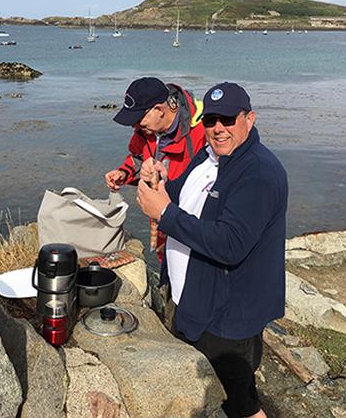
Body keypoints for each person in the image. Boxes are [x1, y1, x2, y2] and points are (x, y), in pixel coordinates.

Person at [136, 82, 288, 418]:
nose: (217, 128)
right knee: (207, 395)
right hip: (194, 301)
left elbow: (230, 244)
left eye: (228, 119)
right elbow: (181, 194)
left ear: (249, 118)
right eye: (210, 120)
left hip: (226, 315)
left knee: (241, 403)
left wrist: (163, 213)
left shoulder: (258, 173)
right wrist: (158, 180)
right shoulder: (208, 157)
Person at [104, 77, 206, 254]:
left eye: (139, 118)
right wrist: (123, 173)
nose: (135, 125)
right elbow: (137, 157)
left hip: (192, 221)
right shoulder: (146, 129)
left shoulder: (202, 130)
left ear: (159, 110)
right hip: (160, 217)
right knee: (164, 259)